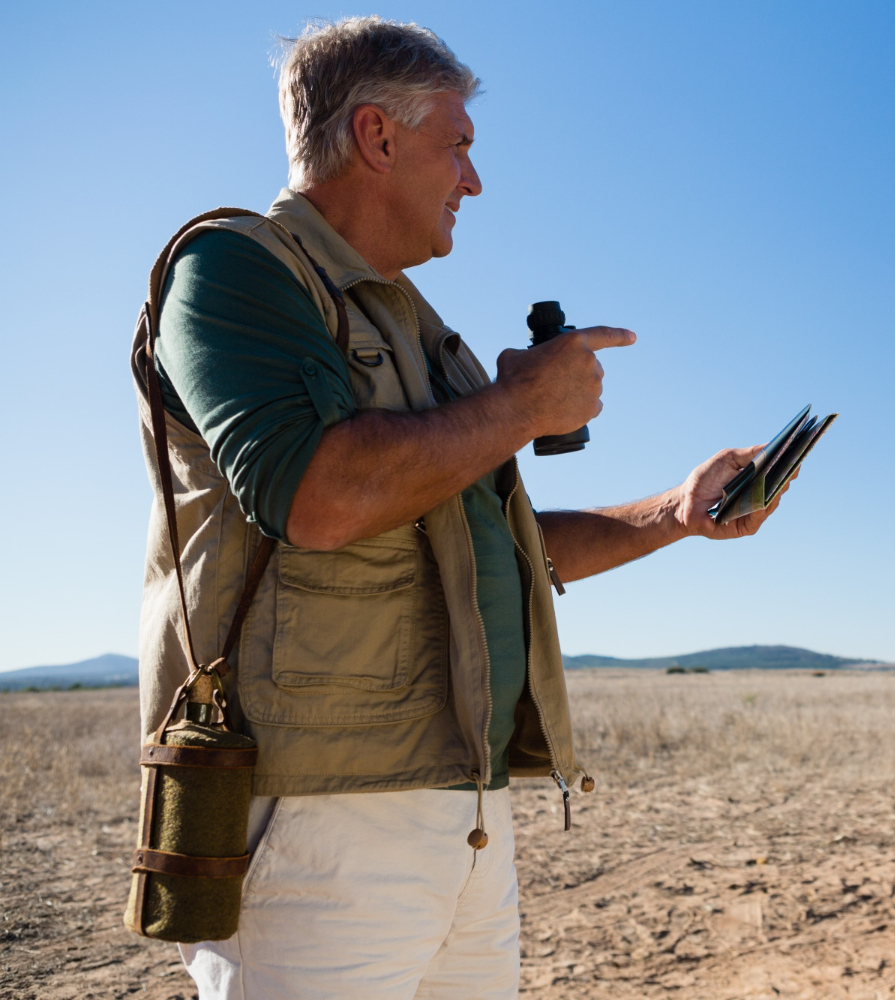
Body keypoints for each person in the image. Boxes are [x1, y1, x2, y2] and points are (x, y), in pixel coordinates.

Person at [133, 16, 792, 999]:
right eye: (460, 146)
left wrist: (676, 514)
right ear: (377, 136)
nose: (473, 182)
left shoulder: (432, 341)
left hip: (470, 818)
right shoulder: (234, 268)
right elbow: (314, 494)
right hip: (318, 826)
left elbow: (511, 552)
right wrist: (524, 406)